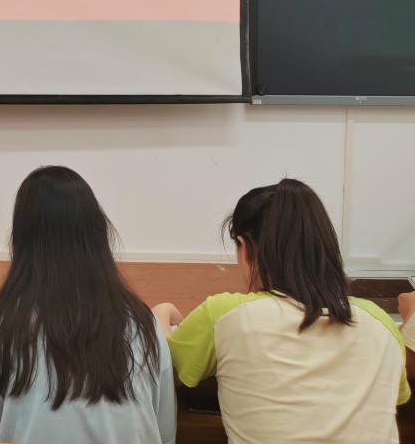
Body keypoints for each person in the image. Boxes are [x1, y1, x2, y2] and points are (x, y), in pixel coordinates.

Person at [154, 178, 410, 444]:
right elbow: (398, 395)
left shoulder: (225, 314)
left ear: (245, 248)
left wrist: (161, 313)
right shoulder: (380, 321)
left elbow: (166, 364)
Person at [0, 166, 176, 444]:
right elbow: (165, 432)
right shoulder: (143, 323)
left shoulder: (2, 323)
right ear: (98, 235)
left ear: (21, 241)